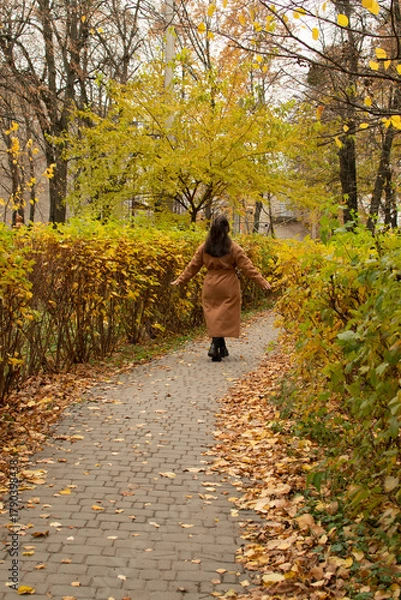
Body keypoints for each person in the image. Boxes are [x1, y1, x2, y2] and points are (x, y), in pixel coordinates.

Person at [171, 214, 272, 362]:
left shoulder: (205, 247)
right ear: (227, 229)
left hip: (211, 284)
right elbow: (247, 267)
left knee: (214, 315)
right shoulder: (233, 247)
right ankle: (214, 345)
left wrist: (180, 280)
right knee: (224, 315)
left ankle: (220, 346)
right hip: (228, 284)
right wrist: (262, 281)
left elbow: (193, 266)